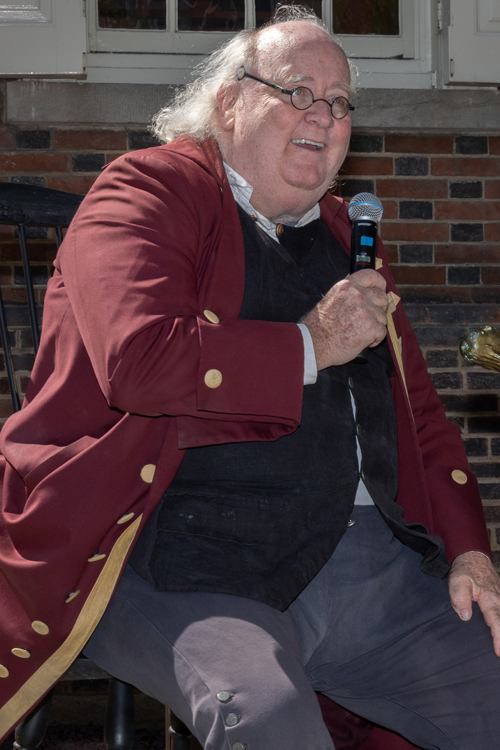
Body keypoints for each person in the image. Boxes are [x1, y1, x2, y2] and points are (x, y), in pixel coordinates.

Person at [0, 6, 499, 749]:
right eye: (297, 91)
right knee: (267, 722)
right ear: (230, 101)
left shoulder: (345, 237)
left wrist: (468, 551)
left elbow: (418, 415)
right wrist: (309, 342)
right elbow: (138, 363)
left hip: (372, 567)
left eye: (339, 104)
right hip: (183, 560)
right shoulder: (143, 194)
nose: (323, 117)